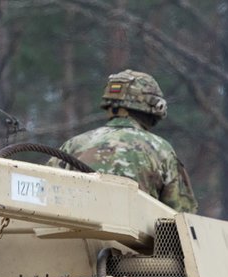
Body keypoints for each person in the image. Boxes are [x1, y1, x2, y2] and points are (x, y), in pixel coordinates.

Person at [56, 70, 196, 213]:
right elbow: (182, 216)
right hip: (136, 228)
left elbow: (48, 193)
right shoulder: (161, 150)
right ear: (155, 107)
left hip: (76, 227)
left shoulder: (74, 145)